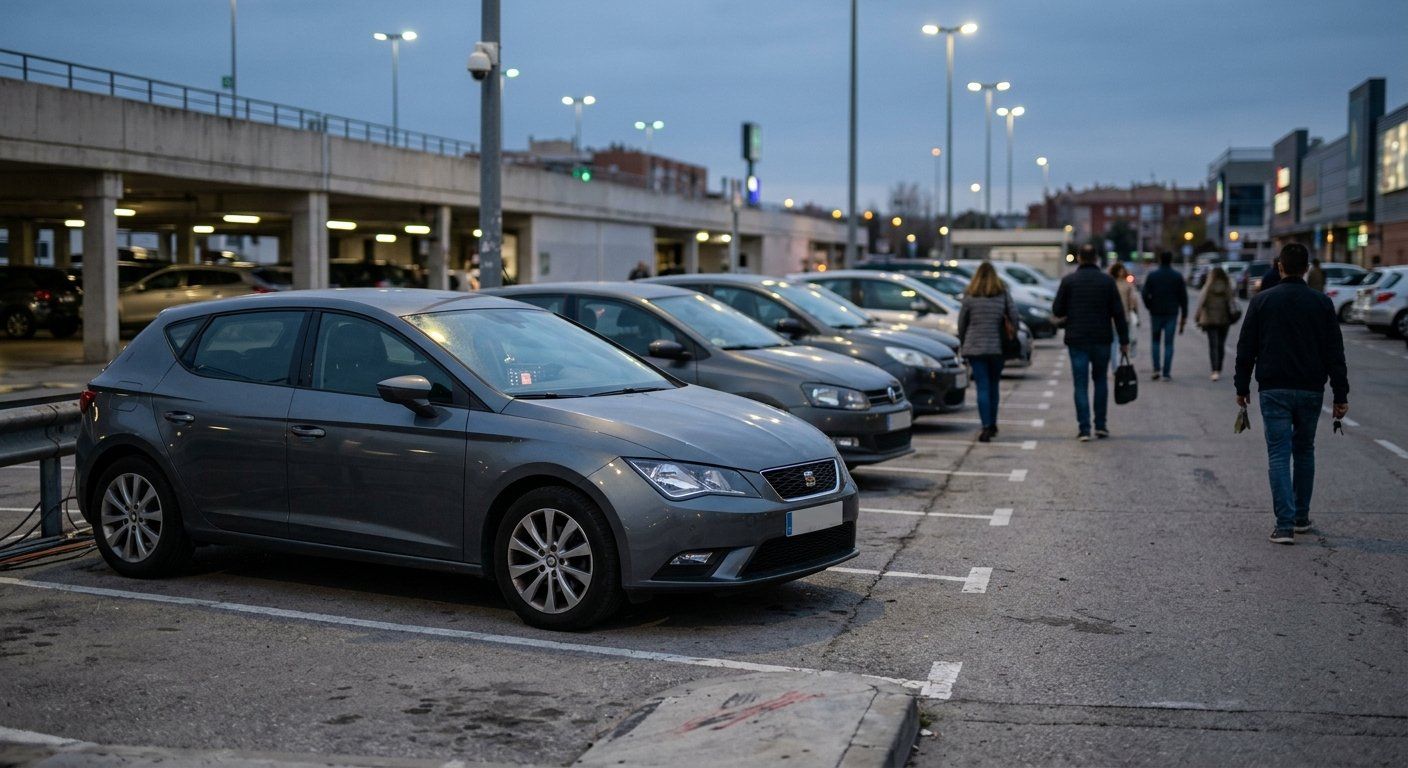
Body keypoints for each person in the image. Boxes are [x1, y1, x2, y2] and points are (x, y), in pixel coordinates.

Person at [1234, 243, 1349, 545]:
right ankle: (1300, 517)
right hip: (1311, 389)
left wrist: (1241, 387)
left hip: (1274, 389)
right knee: (1305, 451)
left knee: (1279, 453)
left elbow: (1246, 349)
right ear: (1306, 268)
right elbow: (1335, 352)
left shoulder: (1262, 301)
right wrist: (1340, 394)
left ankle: (1283, 525)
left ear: (1280, 267)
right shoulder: (1322, 303)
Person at [1053, 244, 1130, 441]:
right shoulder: (1107, 282)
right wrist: (1124, 340)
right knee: (1100, 381)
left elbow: (1057, 310)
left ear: (1079, 258)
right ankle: (1101, 425)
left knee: (1080, 384)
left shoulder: (1069, 281)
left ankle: (1084, 428)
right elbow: (1118, 313)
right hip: (1101, 338)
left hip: (1077, 339)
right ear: (1096, 258)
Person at [958, 262, 1021, 443]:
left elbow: (962, 322)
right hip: (997, 347)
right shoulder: (1002, 292)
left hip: (976, 347)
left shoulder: (970, 294)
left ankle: (985, 426)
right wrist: (1012, 332)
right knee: (994, 386)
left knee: (982, 388)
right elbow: (1014, 316)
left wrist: (964, 341)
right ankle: (992, 424)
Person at [1140, 251, 1188, 381]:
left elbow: (1144, 294)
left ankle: (1156, 369)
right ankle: (1166, 373)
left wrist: (1149, 305)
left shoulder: (1152, 276)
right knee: (1169, 344)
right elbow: (1183, 298)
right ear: (1171, 260)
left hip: (1156, 312)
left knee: (1155, 341)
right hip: (1171, 313)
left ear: (1160, 259)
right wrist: (1184, 315)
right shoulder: (1177, 276)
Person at [1195, 266, 1237, 381]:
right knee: (1221, 345)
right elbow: (1232, 302)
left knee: (1213, 345)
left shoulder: (1208, 286)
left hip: (1210, 320)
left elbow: (1201, 302)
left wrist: (1197, 317)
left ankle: (1214, 371)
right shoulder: (1227, 286)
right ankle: (1219, 368)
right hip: (1224, 320)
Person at [1108, 261, 1140, 363]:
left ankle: (1115, 367)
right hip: (1124, 316)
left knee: (1113, 342)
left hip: (1110, 317)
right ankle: (1121, 364)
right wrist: (1135, 313)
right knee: (1124, 342)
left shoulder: (1109, 284)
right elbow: (1133, 301)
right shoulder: (1128, 285)